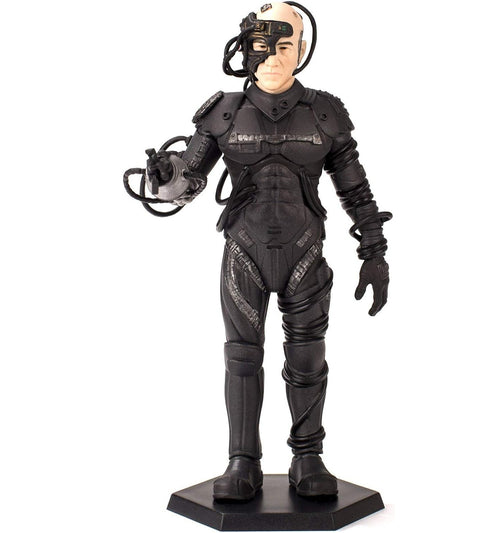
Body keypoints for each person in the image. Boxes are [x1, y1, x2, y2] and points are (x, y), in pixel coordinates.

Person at [138, 2, 391, 501]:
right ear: (245, 49)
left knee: (308, 354)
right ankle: (242, 461)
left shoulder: (325, 113)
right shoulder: (224, 112)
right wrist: (163, 177)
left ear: (302, 49)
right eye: (262, 45)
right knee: (241, 357)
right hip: (243, 251)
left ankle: (308, 457)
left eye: (285, 45)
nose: (273, 57)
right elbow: (185, 180)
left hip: (305, 252)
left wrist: (374, 251)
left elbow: (355, 189)